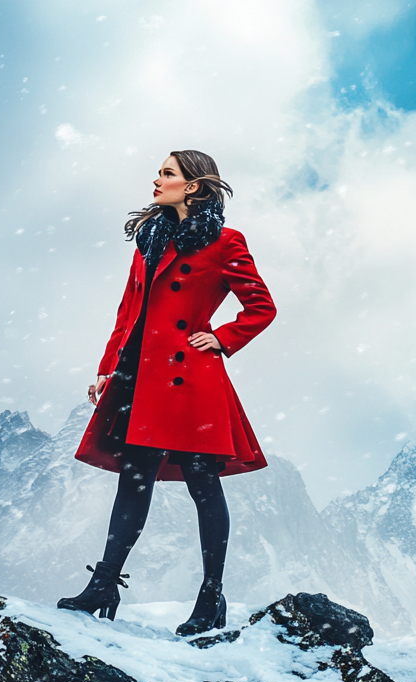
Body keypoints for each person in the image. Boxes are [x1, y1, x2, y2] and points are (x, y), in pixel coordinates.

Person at [58, 150, 276, 636]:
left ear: (193, 186)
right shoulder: (148, 240)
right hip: (142, 377)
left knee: (203, 482)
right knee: (134, 478)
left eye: (167, 173)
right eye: (160, 173)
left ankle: (212, 597)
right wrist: (107, 368)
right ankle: (104, 584)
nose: (157, 180)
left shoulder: (225, 242)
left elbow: (261, 306)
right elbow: (127, 312)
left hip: (189, 381)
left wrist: (221, 336)